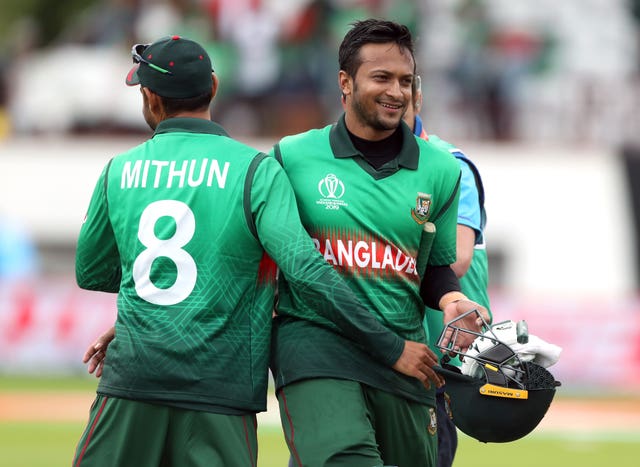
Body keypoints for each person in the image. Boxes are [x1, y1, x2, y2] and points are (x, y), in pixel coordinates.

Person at [72, 34, 447, 467]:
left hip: (132, 378)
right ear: (214, 87)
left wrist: (155, 300)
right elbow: (306, 269)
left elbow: (90, 271)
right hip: (221, 388)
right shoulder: (257, 170)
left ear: (150, 98)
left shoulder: (119, 170)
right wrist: (390, 345)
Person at [271, 19, 490, 467]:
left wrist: (450, 298)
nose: (397, 91)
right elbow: (245, 252)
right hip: (317, 348)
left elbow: (432, 266)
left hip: (407, 357)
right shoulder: (291, 157)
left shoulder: (442, 170)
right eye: (382, 78)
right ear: (345, 83)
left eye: (406, 81)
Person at [404, 75, 492, 467]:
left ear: (417, 98)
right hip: (382, 350)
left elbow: (456, 258)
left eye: (402, 90)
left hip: (436, 361)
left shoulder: (450, 165)